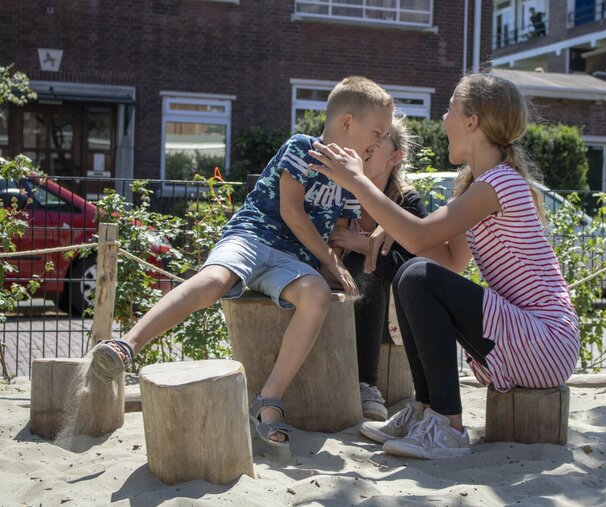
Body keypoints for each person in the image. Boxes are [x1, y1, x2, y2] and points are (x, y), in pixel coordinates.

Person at [91, 76, 394, 452]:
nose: (380, 143)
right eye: (377, 132)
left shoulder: (352, 179)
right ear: (347, 123)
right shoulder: (302, 147)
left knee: (316, 294)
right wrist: (330, 261)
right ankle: (126, 345)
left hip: (290, 260)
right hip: (252, 238)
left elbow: (340, 232)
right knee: (214, 279)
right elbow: (292, 212)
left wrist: (343, 260)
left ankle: (269, 400)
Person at [308, 73, 580, 459]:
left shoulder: (498, 184)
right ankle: (425, 411)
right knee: (409, 273)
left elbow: (419, 238)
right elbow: (449, 260)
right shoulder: (480, 185)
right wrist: (392, 229)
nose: (443, 118)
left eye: (451, 107)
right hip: (532, 341)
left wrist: (358, 183)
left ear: (472, 121)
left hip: (546, 341)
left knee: (416, 273)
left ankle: (448, 425)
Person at [328, 117, 429, 421]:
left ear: (396, 156)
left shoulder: (405, 200)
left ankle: (366, 384)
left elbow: (413, 270)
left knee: (366, 263)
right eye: (370, 136)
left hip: (392, 318)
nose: (369, 144)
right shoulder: (340, 193)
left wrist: (360, 244)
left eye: (380, 138)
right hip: (340, 308)